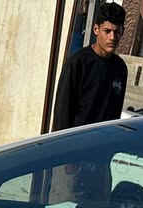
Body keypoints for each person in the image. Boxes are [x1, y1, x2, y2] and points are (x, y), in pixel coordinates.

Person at [51, 3, 129, 132]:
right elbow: (62, 112)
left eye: (117, 32)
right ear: (96, 29)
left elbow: (115, 113)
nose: (112, 37)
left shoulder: (120, 68)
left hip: (102, 139)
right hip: (77, 138)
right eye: (107, 31)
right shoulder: (78, 63)